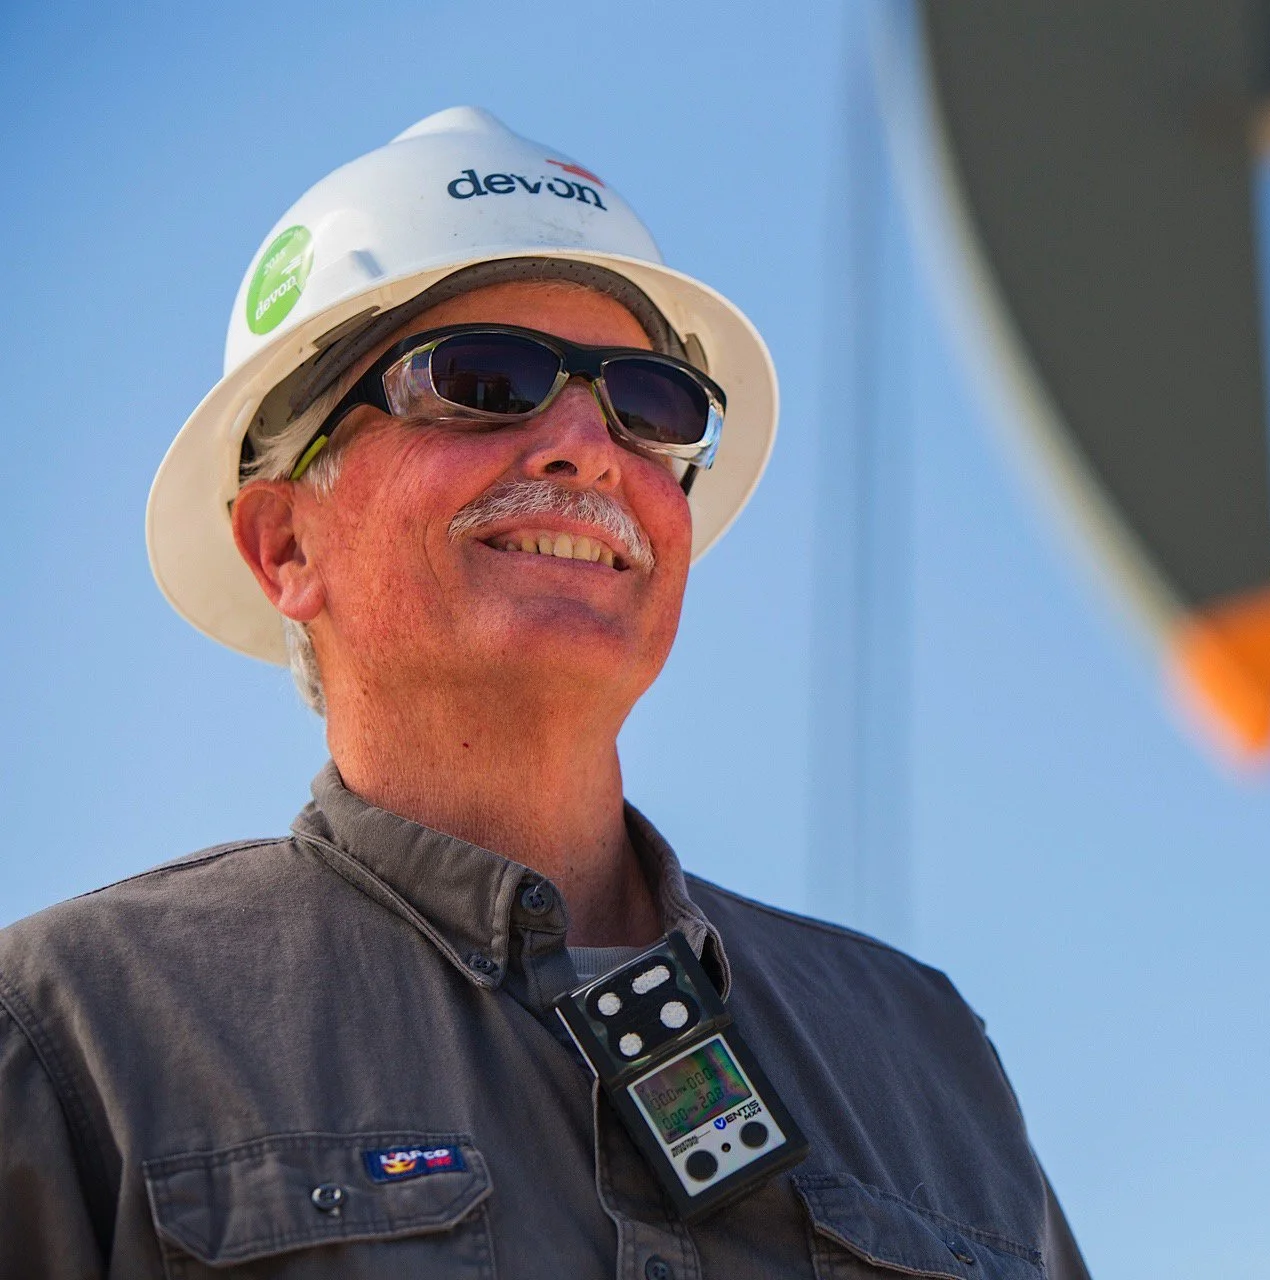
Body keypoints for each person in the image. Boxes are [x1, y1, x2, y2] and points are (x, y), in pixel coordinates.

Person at [0, 107, 1088, 1279]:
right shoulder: (78, 1043)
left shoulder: (925, 1055)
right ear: (285, 547)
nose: (589, 444)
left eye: (652, 405)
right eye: (484, 379)